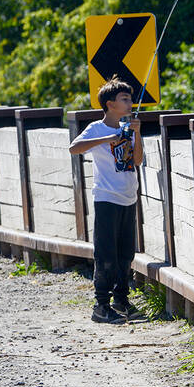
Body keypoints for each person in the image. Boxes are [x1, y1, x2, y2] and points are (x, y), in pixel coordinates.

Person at [68, 78, 144, 323]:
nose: (130, 102)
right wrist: (106, 140)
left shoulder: (128, 128)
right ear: (110, 104)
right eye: (125, 99)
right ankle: (101, 306)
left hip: (128, 198)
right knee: (106, 254)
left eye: (130, 98)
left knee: (125, 255)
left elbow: (137, 161)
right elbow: (74, 148)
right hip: (107, 199)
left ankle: (121, 300)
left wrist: (137, 134)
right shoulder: (97, 128)